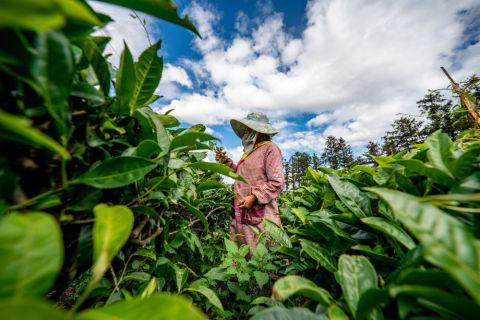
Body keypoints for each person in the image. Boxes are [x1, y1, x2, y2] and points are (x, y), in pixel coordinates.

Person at [215, 112, 285, 257]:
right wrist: (226, 162)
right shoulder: (249, 153)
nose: (247, 133)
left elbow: (277, 182)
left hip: (261, 215)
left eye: (249, 129)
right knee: (242, 255)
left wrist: (255, 197)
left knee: (263, 254)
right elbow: (241, 176)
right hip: (242, 212)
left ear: (259, 131)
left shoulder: (270, 148)